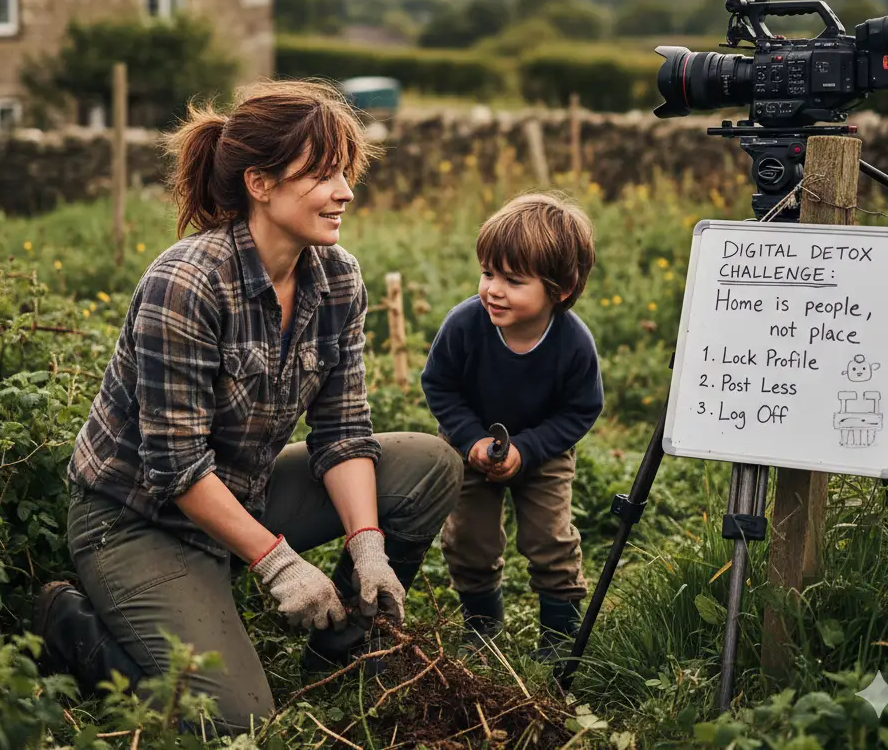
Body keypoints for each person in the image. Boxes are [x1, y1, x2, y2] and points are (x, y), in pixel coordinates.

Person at [32, 79, 463, 735]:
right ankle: (71, 629)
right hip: (137, 520)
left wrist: (369, 547)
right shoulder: (187, 283)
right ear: (260, 183)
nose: (345, 190)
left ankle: (341, 653)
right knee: (235, 724)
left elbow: (343, 433)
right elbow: (176, 468)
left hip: (242, 493)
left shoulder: (338, 277)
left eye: (346, 171)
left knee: (427, 465)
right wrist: (279, 562)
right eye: (323, 173)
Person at [420, 193, 602, 659]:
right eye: (488, 273)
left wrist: (529, 447)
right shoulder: (465, 325)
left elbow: (581, 410)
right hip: (471, 445)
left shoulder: (573, 344)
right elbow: (439, 385)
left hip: (542, 453)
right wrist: (470, 439)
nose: (493, 290)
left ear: (560, 289)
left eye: (513, 280)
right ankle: (482, 628)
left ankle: (560, 641)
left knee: (550, 538)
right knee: (468, 539)